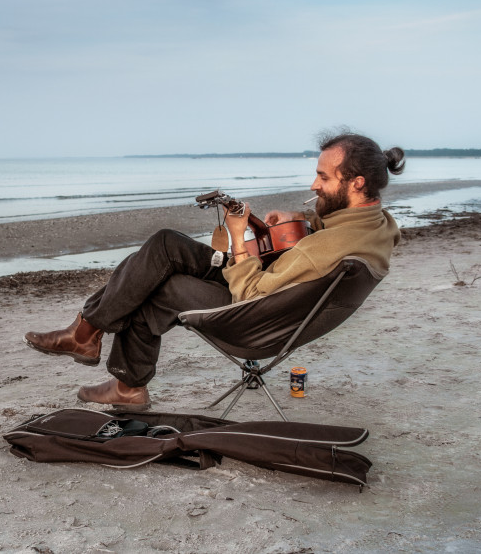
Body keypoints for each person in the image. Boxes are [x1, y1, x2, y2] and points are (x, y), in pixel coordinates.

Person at [23, 131, 404, 410]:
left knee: (155, 284)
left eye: (324, 177)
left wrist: (238, 238)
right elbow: (336, 231)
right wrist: (300, 219)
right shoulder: (379, 225)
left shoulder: (322, 251)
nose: (314, 184)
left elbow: (250, 293)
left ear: (357, 183)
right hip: (279, 308)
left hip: (252, 320)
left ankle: (118, 375)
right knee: (165, 245)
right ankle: (88, 333)